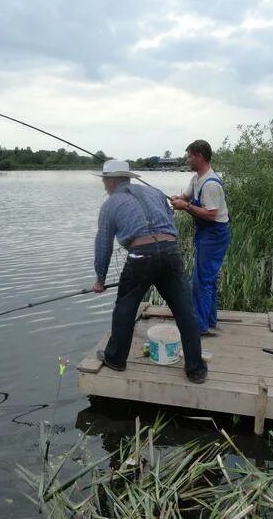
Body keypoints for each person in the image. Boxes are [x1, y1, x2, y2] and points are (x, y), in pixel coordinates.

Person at [92, 159, 208, 384]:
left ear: (110, 181)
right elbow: (168, 217)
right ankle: (195, 369)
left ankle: (115, 359)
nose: (104, 185)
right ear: (128, 178)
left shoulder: (110, 204)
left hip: (140, 257)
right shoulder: (154, 193)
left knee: (125, 308)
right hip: (170, 251)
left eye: (105, 181)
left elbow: (103, 244)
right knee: (185, 311)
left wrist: (100, 278)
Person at [170, 140, 230, 335]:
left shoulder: (211, 184)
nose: (187, 160)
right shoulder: (197, 179)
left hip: (215, 234)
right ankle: (209, 321)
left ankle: (200, 326)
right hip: (205, 234)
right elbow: (187, 196)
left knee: (201, 281)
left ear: (199, 156)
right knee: (208, 279)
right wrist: (179, 199)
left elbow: (211, 214)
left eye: (189, 156)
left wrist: (186, 207)